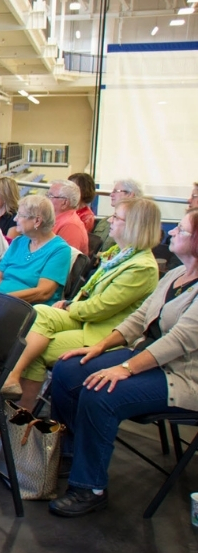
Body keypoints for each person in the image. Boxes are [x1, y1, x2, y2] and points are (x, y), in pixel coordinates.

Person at [47, 208, 198, 517]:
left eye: (180, 230)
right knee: (68, 370)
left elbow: (178, 341)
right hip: (147, 357)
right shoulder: (174, 274)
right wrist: (98, 347)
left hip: (182, 376)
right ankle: (71, 453)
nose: (170, 233)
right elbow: (140, 318)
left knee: (100, 393)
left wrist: (125, 368)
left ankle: (90, 487)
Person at [0, 197, 162, 410]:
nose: (110, 220)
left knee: (34, 349)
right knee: (40, 313)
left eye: (116, 217)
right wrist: (69, 303)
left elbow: (99, 309)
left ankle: (19, 418)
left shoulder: (141, 267)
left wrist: (68, 306)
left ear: (134, 226)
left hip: (103, 331)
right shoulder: (120, 255)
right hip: (85, 319)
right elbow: (87, 294)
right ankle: (14, 393)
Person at [0, 195, 72, 305]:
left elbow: (43, 292)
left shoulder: (60, 250)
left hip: (26, 309)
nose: (15, 219)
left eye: (20, 215)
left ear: (37, 221)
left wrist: (2, 299)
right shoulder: (18, 242)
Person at [92, 178, 143, 251]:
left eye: (116, 191)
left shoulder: (135, 225)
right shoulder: (104, 221)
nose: (111, 194)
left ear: (130, 194)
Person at [47, 180, 89, 255]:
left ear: (64, 202)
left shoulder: (71, 226)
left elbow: (64, 258)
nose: (46, 199)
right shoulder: (55, 219)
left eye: (50, 196)